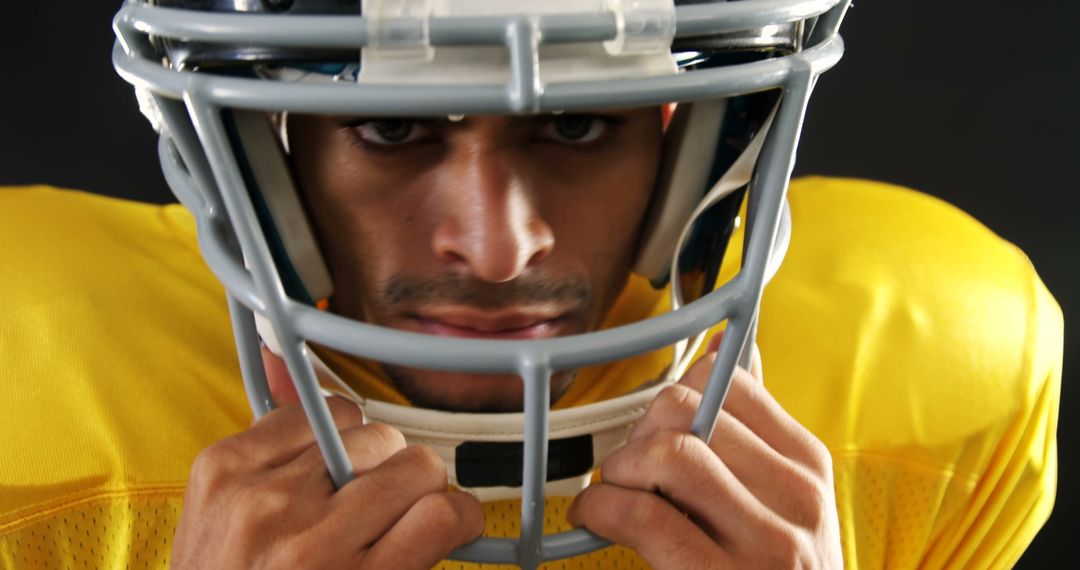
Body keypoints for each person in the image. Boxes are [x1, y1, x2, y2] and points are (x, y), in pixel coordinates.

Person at [0, 0, 1062, 568]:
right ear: (268, 149)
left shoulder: (930, 365)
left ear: (696, 149)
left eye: (574, 125)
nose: (497, 248)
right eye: (390, 127)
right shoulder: (31, 393)